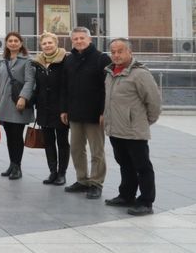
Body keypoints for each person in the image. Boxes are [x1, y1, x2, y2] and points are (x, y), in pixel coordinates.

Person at [103, 38, 162, 216]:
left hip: (134, 130)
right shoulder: (110, 72)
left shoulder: (140, 74)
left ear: (130, 52)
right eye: (113, 52)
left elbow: (154, 102)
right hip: (115, 129)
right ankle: (126, 195)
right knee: (124, 164)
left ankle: (146, 201)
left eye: (120, 51)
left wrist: (144, 121)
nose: (116, 55)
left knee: (142, 166)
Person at [61, 26, 112, 200]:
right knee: (76, 149)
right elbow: (65, 87)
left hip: (94, 114)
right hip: (75, 112)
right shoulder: (69, 60)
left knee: (97, 150)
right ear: (71, 41)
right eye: (75, 39)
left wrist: (103, 111)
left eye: (82, 38)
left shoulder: (101, 59)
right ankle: (82, 180)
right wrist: (64, 109)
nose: (79, 41)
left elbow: (107, 88)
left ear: (90, 39)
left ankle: (96, 183)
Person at [0, 32, 36, 180]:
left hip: (19, 104)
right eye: (10, 41)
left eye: (16, 41)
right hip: (5, 104)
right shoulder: (2, 61)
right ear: (6, 43)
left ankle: (18, 167)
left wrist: (23, 97)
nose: (13, 43)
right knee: (10, 136)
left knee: (17, 136)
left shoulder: (27, 61)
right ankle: (12, 164)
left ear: (21, 43)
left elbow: (30, 81)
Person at [31, 32, 69, 185]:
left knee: (62, 141)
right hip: (43, 107)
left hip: (60, 109)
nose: (47, 46)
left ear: (56, 43)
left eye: (50, 43)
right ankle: (52, 171)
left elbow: (67, 86)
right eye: (44, 43)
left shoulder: (65, 60)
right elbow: (37, 86)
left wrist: (65, 108)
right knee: (48, 141)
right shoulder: (38, 62)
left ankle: (62, 173)